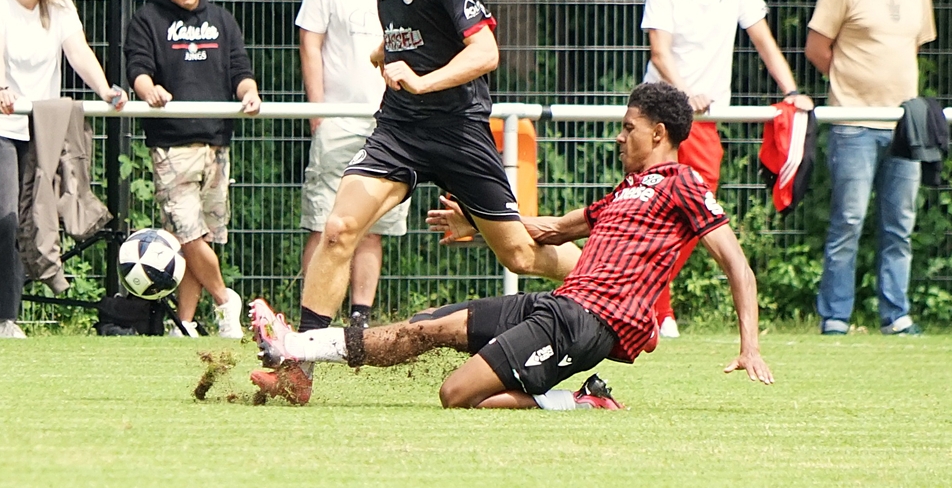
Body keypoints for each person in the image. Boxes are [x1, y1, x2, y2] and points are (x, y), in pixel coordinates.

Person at [248, 82, 774, 408]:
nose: (619, 136)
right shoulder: (626, 190)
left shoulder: (684, 184)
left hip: (589, 326)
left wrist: (749, 345)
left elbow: (738, 266)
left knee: (456, 394)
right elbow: (550, 229)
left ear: (658, 133)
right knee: (426, 325)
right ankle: (295, 349)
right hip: (558, 305)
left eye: (627, 128)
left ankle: (581, 401)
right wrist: (478, 224)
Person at [289, 0, 581, 398]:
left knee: (518, 254)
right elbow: (412, 29)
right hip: (400, 128)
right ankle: (298, 367)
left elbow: (486, 52)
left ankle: (604, 283)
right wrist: (386, 51)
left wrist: (423, 81)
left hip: (458, 130)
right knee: (338, 228)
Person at [641, 0, 814, 338]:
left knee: (697, 210)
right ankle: (654, 307)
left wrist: (792, 92)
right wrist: (685, 94)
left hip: (703, 120)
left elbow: (764, 42)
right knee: (651, 211)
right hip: (661, 112)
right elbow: (659, 52)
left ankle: (647, 296)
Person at [0, 0, 127, 338]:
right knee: (3, 218)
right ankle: (4, 319)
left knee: (32, 219)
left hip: (40, 128)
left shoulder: (59, 7)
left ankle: (30, 291)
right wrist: (0, 88)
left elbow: (79, 53)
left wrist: (106, 90)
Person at [805, 0, 935, 337]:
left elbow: (910, 47)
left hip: (904, 125)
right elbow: (817, 48)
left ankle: (896, 315)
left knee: (900, 225)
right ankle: (835, 317)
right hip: (853, 123)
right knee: (848, 222)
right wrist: (851, 85)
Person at [125, 0, 261, 338]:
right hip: (172, 144)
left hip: (217, 145)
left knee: (202, 240)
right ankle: (225, 300)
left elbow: (240, 71)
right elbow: (137, 68)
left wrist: (250, 93)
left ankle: (184, 324)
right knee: (187, 234)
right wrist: (148, 89)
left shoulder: (222, 21)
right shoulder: (148, 18)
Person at [296, 0, 412, 328]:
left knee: (372, 229)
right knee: (323, 225)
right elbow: (310, 42)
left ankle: (359, 321)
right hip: (338, 120)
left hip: (392, 122)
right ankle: (311, 326)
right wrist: (318, 112)